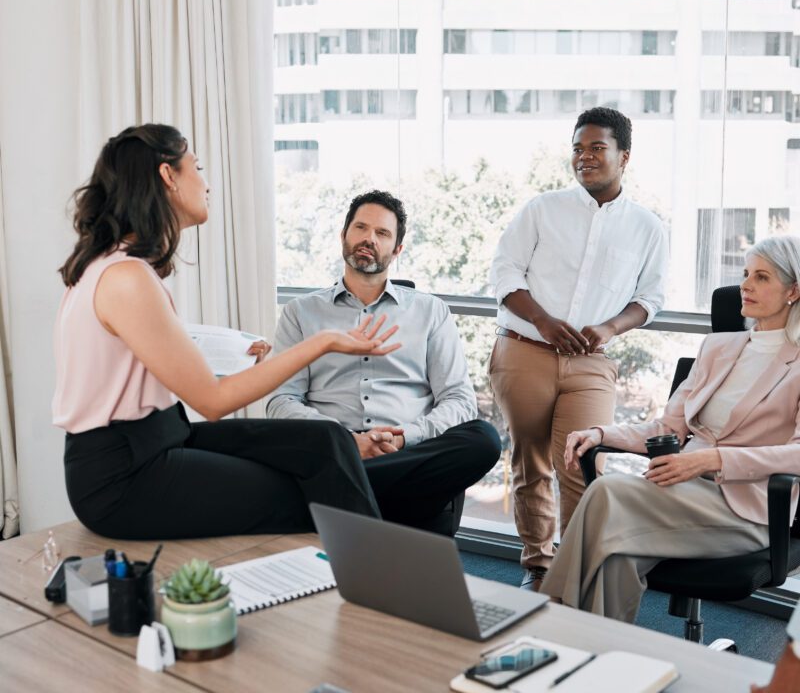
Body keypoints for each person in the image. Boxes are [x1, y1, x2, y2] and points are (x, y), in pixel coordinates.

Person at [53, 124, 402, 540]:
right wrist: (323, 342)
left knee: (325, 440)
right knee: (310, 489)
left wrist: (225, 356)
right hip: (122, 476)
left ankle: (380, 565)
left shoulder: (120, 267)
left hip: (163, 436)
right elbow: (215, 402)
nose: (205, 183)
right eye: (195, 167)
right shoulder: (126, 277)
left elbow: (142, 367)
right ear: (168, 176)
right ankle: (379, 584)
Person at [541, 235, 800, 623]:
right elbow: (668, 427)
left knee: (607, 490)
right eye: (746, 274)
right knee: (617, 558)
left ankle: (549, 620)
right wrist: (600, 433)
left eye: (761, 277)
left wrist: (712, 460)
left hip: (749, 511)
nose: (745, 285)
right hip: (681, 492)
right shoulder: (717, 347)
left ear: (793, 291)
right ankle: (605, 667)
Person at [488, 107, 668, 591]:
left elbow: (649, 298)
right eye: (577, 148)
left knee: (586, 464)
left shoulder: (648, 227)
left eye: (596, 148)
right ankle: (539, 567)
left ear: (623, 156)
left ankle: (576, 574)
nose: (583, 157)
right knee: (531, 463)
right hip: (524, 348)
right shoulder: (541, 209)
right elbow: (504, 272)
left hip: (591, 363)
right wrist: (543, 320)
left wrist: (610, 326)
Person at [265, 190, 501, 535]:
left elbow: (459, 400)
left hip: (406, 449)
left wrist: (405, 439)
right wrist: (347, 442)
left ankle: (346, 493)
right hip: (335, 451)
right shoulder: (301, 313)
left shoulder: (430, 311)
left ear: (397, 249)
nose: (368, 239)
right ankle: (368, 489)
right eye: (360, 227)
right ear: (343, 236)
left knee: (484, 438)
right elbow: (282, 400)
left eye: (382, 233)